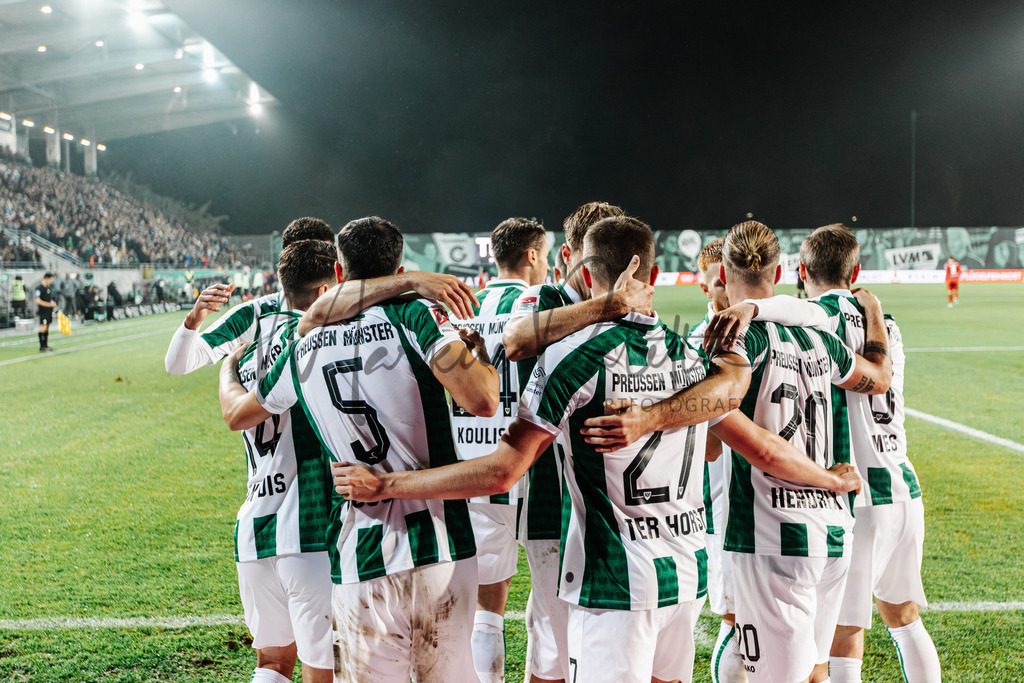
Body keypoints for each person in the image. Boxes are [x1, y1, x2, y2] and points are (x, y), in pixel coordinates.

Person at [334, 216, 864, 683]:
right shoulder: (695, 352)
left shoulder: (573, 358)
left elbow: (502, 472)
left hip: (615, 580)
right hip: (686, 573)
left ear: (586, 277)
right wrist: (831, 478)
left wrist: (386, 484)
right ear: (654, 277)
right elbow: (742, 426)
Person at [580, 220, 893, 683]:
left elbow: (720, 447)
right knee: (814, 670)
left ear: (722, 277)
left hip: (769, 534)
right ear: (783, 271)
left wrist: (653, 416)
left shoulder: (730, 341)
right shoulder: (820, 336)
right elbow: (879, 377)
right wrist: (875, 316)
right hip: (831, 531)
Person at [219, 216, 499, 682]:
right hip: (438, 544)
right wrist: (481, 358)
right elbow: (484, 399)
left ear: (339, 271)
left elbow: (242, 414)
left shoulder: (302, 343)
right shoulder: (415, 316)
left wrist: (228, 371)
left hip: (359, 551)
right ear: (400, 265)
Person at [709, 225, 941, 683]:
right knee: (905, 619)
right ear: (855, 271)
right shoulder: (884, 324)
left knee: (836, 639)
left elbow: (783, 311)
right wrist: (871, 306)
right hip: (900, 485)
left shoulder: (812, 318)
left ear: (798, 272)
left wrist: (751, 306)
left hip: (842, 500)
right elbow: (880, 373)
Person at [501, 201, 652, 683]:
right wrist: (606, 307)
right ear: (573, 256)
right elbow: (516, 339)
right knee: (554, 642)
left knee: (592, 644)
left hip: (609, 504)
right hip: (552, 497)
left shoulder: (623, 308)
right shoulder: (544, 296)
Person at [226, 239, 338, 683]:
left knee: (272, 663)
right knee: (323, 665)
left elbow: (235, 412)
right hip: (308, 529)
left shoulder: (250, 350)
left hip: (254, 528)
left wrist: (223, 372)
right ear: (325, 285)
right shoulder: (313, 342)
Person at [453, 218, 549, 683]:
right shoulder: (539, 306)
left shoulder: (463, 311)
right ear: (532, 255)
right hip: (537, 469)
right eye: (545, 254)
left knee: (486, 608)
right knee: (550, 602)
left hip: (475, 470)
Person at [165, 217, 336, 375]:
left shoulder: (352, 312)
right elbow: (178, 365)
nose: (321, 266)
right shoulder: (252, 315)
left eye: (328, 258)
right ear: (286, 259)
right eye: (310, 258)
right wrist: (192, 321)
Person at [34, 272, 58, 351]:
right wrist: (49, 304)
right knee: (43, 327)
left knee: (47, 327)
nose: (51, 281)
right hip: (43, 311)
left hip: (48, 311)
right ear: (46, 278)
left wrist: (52, 303)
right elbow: (38, 301)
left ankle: (45, 345)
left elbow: (48, 299)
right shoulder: (39, 288)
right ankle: (42, 346)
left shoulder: (48, 288)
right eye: (51, 279)